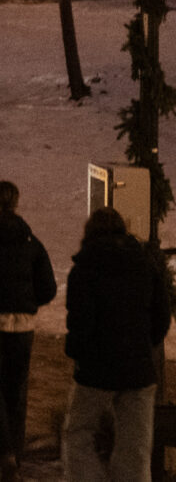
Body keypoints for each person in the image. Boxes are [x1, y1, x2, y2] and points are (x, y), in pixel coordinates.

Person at [64, 204, 171, 482]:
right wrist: (144, 347)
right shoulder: (146, 266)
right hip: (138, 369)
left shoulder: (84, 269)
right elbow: (161, 316)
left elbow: (80, 322)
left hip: (95, 369)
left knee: (79, 432)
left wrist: (77, 353)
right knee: (135, 447)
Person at [0, 181, 56, 482]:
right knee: (15, 393)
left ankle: (2, 457)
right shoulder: (30, 241)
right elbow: (48, 288)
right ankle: (13, 456)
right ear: (16, 204)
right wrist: (26, 303)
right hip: (21, 326)